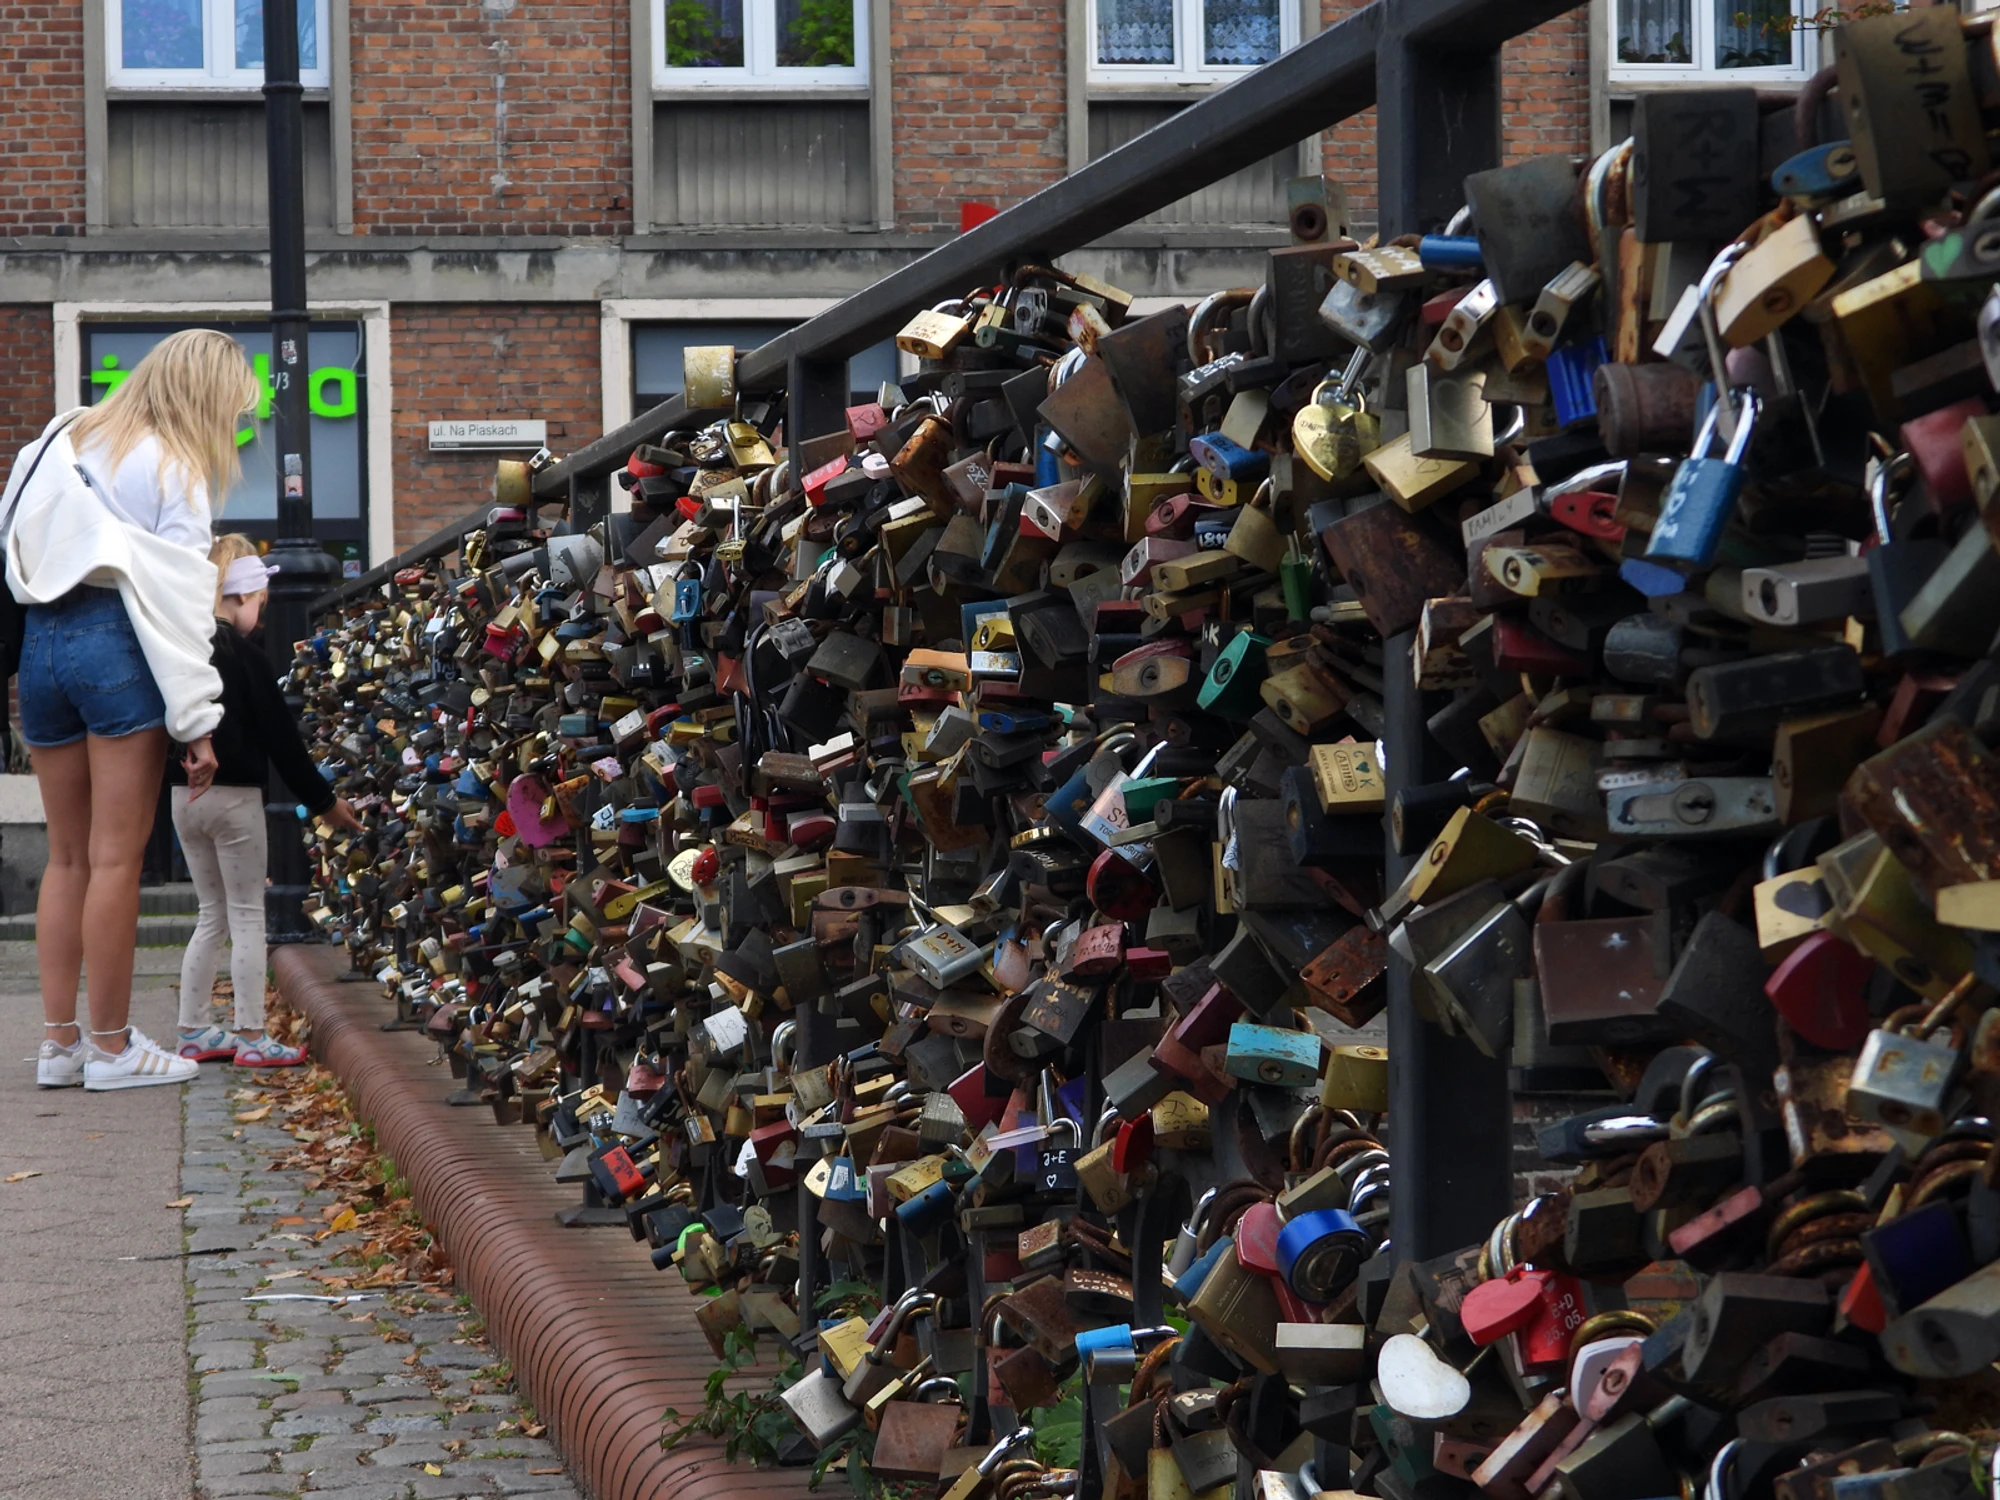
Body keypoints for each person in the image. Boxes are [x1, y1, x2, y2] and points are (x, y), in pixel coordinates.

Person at [5, 329, 250, 1090]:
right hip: (117, 642)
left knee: (68, 856)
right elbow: (179, 606)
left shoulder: (55, 439)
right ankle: (113, 1049)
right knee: (117, 858)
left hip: (40, 644)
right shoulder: (173, 463)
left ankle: (61, 1044)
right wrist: (200, 722)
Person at [171, 535, 361, 1067]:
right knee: (249, 914)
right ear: (239, 596)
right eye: (260, 603)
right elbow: (284, 744)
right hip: (234, 802)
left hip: (184, 799)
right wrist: (325, 802)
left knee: (211, 914)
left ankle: (192, 1029)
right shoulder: (248, 659)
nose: (261, 614)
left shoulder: (182, 654)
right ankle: (251, 1035)